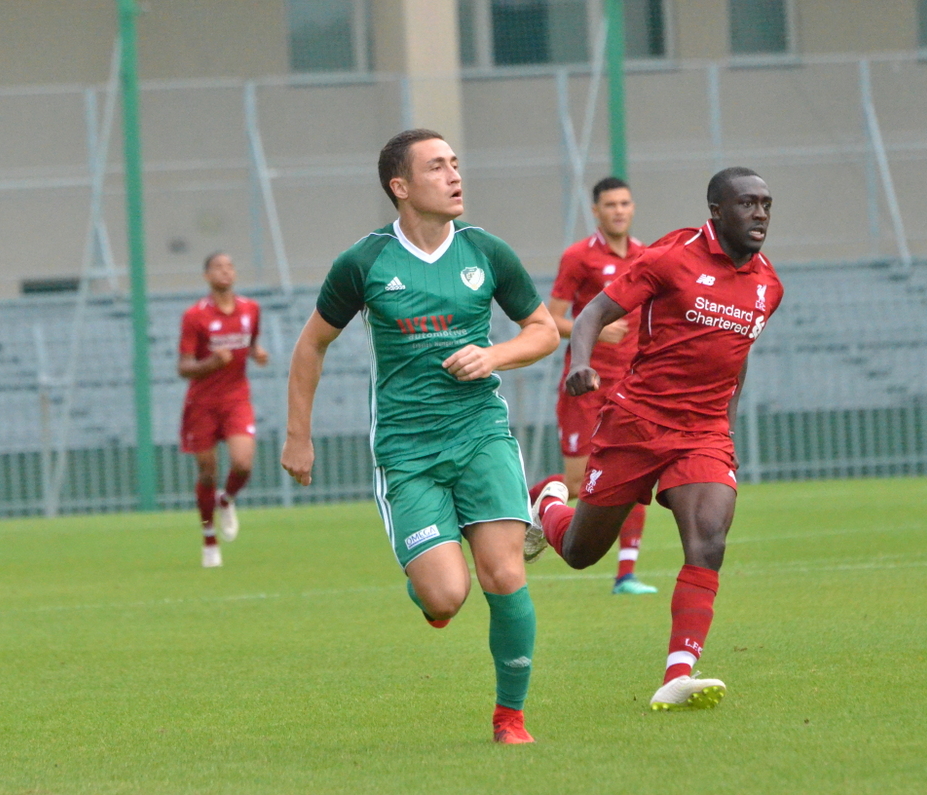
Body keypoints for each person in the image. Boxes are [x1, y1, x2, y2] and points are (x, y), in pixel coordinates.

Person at [281, 129, 559, 744]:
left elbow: (543, 330)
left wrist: (495, 357)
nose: (455, 175)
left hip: (481, 434)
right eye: (437, 167)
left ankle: (509, 719)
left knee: (504, 575)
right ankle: (433, 586)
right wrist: (298, 437)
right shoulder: (365, 262)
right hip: (408, 452)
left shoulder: (486, 252)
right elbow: (311, 344)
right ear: (400, 187)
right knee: (445, 596)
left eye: (456, 163)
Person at [524, 167, 783, 712]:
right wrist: (582, 364)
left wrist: (726, 430)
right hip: (637, 421)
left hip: (703, 431)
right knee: (579, 552)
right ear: (716, 210)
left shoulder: (768, 285)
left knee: (708, 539)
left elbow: (736, 361)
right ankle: (549, 500)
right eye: (746, 203)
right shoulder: (672, 257)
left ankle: (678, 672)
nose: (759, 214)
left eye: (765, 204)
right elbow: (594, 311)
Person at [528, 176, 656, 596]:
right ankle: (530, 502)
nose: (619, 210)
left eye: (625, 203)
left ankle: (626, 574)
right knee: (581, 484)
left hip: (630, 388)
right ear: (597, 211)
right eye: (610, 204)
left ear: (633, 208)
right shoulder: (579, 257)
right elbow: (551, 318)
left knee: (635, 475)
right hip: (585, 387)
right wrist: (595, 331)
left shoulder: (647, 257)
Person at [178, 252, 269, 568]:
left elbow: (252, 338)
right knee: (207, 472)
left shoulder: (251, 309)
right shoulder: (195, 316)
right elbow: (184, 366)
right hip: (202, 403)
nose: (226, 271)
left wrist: (256, 352)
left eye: (230, 266)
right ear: (206, 276)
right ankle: (208, 539)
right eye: (218, 267)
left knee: (242, 464)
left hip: (235, 399)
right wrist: (211, 363)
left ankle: (226, 499)